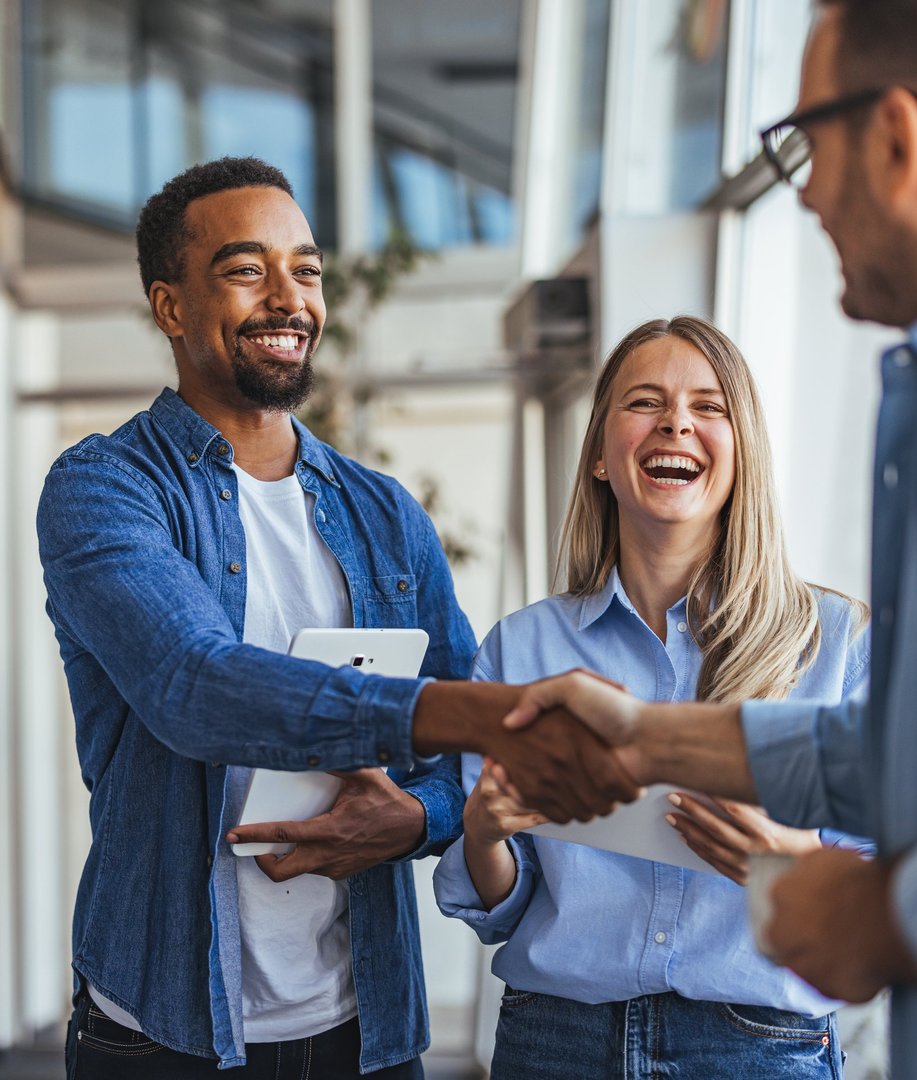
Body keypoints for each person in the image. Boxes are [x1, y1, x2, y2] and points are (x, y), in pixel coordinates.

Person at [502, 2, 917, 1078]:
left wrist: (872, 916)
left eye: (806, 141)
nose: (803, 190)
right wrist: (645, 737)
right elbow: (905, 754)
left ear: (900, 139)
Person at [36, 157, 637, 1078]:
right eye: (246, 270)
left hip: (365, 1024)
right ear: (171, 306)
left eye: (306, 270)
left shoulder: (383, 512)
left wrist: (417, 817)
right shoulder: (106, 488)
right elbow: (192, 686)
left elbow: (463, 766)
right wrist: (454, 711)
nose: (289, 298)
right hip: (164, 1029)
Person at [433, 316, 871, 1079]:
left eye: (710, 406)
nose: (677, 422)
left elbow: (889, 881)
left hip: (757, 1049)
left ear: (743, 455)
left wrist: (788, 857)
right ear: (601, 454)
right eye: (645, 402)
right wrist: (483, 832)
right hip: (555, 1045)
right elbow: (502, 903)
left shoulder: (835, 641)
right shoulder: (522, 648)